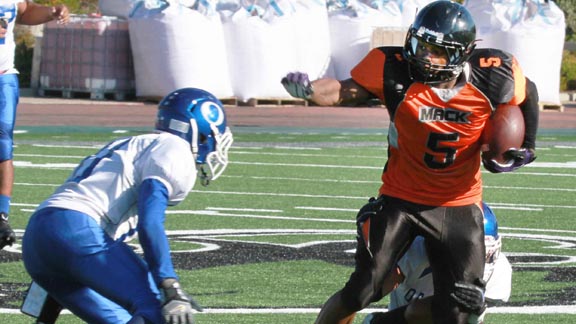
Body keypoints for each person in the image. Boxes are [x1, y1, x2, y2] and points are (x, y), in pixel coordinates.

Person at [281, 1, 538, 323]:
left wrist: (525, 147)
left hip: (458, 203)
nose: (426, 57)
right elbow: (342, 90)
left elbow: (528, 91)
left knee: (459, 309)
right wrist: (308, 89)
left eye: (438, 51)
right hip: (401, 198)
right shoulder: (393, 66)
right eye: (422, 45)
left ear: (463, 52)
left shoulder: (493, 72)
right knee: (365, 287)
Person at [21, 88, 233, 324]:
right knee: (158, 311)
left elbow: (60, 246)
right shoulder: (175, 149)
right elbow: (149, 222)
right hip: (78, 230)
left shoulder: (129, 143)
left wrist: (44, 318)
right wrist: (169, 283)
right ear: (201, 131)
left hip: (38, 238)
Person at [362, 202, 512, 324]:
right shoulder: (415, 251)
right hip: (402, 320)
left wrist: (477, 312)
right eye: (469, 250)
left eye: (483, 252)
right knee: (432, 308)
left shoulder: (500, 270)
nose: (476, 258)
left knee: (458, 308)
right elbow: (370, 291)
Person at [0, 1, 70, 249]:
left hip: (3, 75)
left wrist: (51, 12)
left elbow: (25, 10)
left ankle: (1, 216)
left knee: (3, 145)